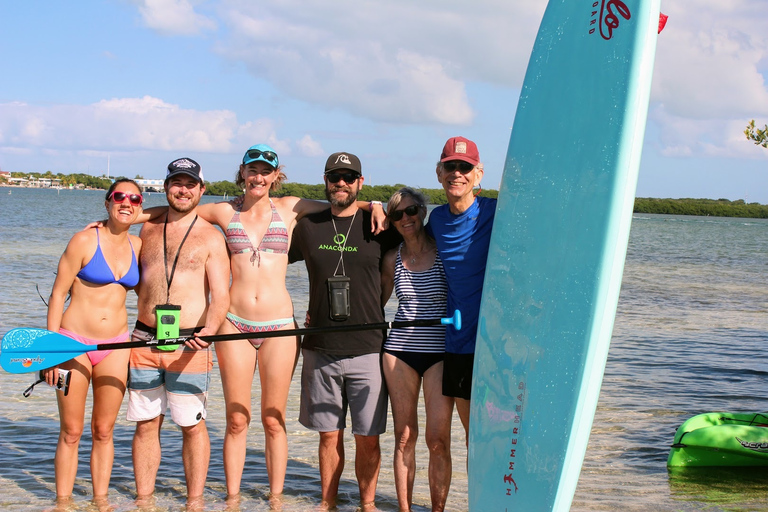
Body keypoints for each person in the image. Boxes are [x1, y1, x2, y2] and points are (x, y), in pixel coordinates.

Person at [128, 144, 385, 501]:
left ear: (275, 176)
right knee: (236, 419)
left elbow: (341, 205)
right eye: (253, 170)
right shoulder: (221, 210)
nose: (259, 177)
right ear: (243, 172)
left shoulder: (292, 207)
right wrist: (128, 217)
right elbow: (177, 210)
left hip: (280, 326)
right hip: (234, 324)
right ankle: (233, 500)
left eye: (266, 171)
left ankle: (276, 501)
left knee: (273, 419)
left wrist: (377, 205)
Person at [289, 152, 399, 510]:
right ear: (325, 180)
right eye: (335, 176)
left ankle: (367, 505)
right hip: (320, 347)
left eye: (349, 177)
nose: (341, 183)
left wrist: (378, 205)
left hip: (368, 347)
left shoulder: (379, 227)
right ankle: (328, 503)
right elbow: (264, 258)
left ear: (360, 183)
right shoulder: (307, 226)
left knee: (368, 438)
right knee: (328, 436)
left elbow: (412, 260)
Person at [127, 158, 230, 502]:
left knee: (192, 425)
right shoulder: (147, 228)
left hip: (190, 343)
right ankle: (143, 500)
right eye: (176, 183)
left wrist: (211, 331)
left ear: (202, 190)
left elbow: (221, 295)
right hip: (143, 338)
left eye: (190, 184)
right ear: (166, 186)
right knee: (146, 424)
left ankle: (195, 502)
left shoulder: (211, 237)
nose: (182, 190)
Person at [44, 179, 144, 502]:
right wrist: (50, 351)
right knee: (71, 431)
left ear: (140, 205)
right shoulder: (84, 240)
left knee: (104, 431)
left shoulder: (139, 247)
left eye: (134, 198)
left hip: (116, 345)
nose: (126, 202)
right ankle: (62, 503)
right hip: (72, 344)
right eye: (119, 197)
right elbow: (58, 294)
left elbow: (163, 216)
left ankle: (100, 501)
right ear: (106, 202)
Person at [380, 187, 453, 512]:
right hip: (398, 353)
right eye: (397, 214)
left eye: (411, 211)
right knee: (404, 437)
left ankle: (437, 509)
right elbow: (374, 305)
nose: (406, 218)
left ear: (423, 212)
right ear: (392, 222)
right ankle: (405, 509)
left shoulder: (444, 252)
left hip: (439, 352)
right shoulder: (390, 258)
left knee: (438, 440)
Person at [427, 136, 496, 446]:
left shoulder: (496, 212)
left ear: (478, 174)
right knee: (473, 438)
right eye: (450, 166)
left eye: (465, 167)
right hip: (458, 343)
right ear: (439, 173)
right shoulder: (436, 219)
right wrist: (373, 205)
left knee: (494, 438)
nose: (457, 173)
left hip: (494, 345)